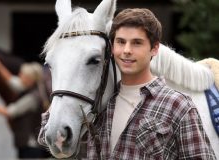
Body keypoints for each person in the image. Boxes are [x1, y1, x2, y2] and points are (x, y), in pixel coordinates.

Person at [86, 8, 216, 159]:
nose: (127, 50)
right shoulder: (100, 104)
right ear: (112, 46)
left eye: (137, 43)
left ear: (154, 49)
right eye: (121, 42)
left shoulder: (178, 105)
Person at [0, 52, 52, 158]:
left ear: (30, 80)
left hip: (32, 147)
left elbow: (9, 112)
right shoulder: (33, 88)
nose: (19, 77)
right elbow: (14, 83)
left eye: (22, 75)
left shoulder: (33, 98)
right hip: (29, 146)